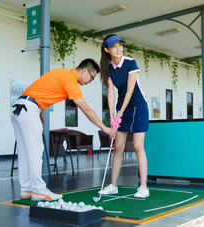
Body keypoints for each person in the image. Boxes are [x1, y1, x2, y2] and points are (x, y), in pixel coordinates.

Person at [10, 58, 116, 201]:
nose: (90, 82)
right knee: (35, 150)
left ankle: (27, 189)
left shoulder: (61, 72)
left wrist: (39, 108)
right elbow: (86, 109)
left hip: (19, 106)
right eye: (91, 78)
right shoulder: (71, 80)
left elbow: (39, 89)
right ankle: (39, 191)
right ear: (84, 71)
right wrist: (106, 128)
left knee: (24, 152)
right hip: (29, 108)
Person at [98, 34, 150, 198]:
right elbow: (111, 94)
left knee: (137, 146)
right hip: (122, 107)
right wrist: (113, 117)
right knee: (118, 147)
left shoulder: (130, 62)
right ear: (107, 50)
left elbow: (129, 90)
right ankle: (113, 185)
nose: (119, 49)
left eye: (120, 45)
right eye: (114, 46)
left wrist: (119, 113)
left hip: (138, 106)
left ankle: (143, 187)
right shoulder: (108, 68)